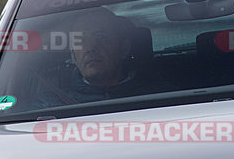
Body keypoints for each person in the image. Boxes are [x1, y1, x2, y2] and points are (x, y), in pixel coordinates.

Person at [29, 7, 159, 108]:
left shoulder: (159, 94)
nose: (91, 48)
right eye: (80, 40)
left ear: (123, 49)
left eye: (100, 37)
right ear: (73, 55)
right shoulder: (49, 103)